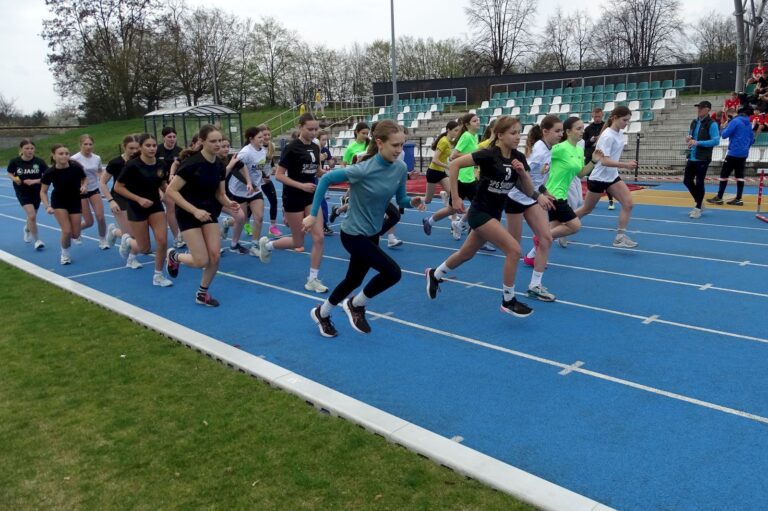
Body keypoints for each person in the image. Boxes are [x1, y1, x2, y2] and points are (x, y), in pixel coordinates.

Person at [304, 120, 425, 336]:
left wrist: (412, 202)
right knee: (392, 272)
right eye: (395, 145)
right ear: (379, 142)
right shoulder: (362, 169)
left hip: (372, 233)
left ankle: (321, 313)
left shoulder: (400, 167)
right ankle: (356, 304)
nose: (400, 151)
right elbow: (325, 181)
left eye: (402, 145)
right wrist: (313, 215)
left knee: (354, 279)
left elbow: (402, 199)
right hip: (352, 233)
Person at [425, 116, 543, 317]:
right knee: (514, 250)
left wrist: (535, 192)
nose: (518, 137)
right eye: (513, 133)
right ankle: (508, 300)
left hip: (494, 214)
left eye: (519, 132)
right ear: (500, 135)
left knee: (466, 254)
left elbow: (525, 186)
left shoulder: (518, 157)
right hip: (480, 213)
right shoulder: (488, 155)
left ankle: (435, 274)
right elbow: (454, 165)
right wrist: (455, 198)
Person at [165, 124, 239, 307]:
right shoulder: (191, 164)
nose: (217, 144)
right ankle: (175, 256)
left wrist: (229, 203)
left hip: (208, 212)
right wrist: (194, 210)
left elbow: (219, 194)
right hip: (188, 213)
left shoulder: (220, 166)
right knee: (201, 261)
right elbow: (170, 191)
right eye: (213, 141)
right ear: (202, 142)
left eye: (220, 140)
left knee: (215, 257)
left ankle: (202, 293)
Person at [257, 113, 328, 294]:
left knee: (319, 237)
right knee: (298, 241)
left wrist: (335, 174)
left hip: (311, 197)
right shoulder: (291, 148)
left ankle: (312, 279)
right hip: (293, 197)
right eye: (309, 129)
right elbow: (279, 175)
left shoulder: (316, 147)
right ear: (300, 127)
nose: (313, 133)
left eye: (316, 129)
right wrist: (301, 185)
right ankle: (268, 245)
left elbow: (317, 171)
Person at [114, 134, 174, 287]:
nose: (152, 148)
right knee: (144, 248)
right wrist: (138, 199)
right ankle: (127, 240)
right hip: (136, 207)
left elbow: (162, 184)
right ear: (140, 147)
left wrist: (172, 193)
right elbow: (118, 187)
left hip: (155, 206)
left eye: (154, 145)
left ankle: (158, 276)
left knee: (162, 241)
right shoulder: (132, 165)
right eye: (148, 145)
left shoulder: (161, 165)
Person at [574, 108, 639, 247]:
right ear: (615, 118)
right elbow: (604, 161)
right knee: (586, 209)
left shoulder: (620, 134)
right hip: (598, 178)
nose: (627, 123)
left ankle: (620, 237)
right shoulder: (607, 136)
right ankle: (563, 225)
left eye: (628, 120)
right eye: (624, 120)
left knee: (628, 204)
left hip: (612, 177)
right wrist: (626, 165)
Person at [544, 117, 606, 246]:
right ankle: (541, 238)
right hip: (554, 195)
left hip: (561, 194)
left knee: (552, 232)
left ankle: (533, 257)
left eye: (583, 128)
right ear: (568, 131)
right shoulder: (559, 148)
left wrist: (594, 161)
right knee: (575, 226)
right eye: (578, 128)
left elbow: (580, 174)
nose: (582, 131)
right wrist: (542, 169)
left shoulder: (578, 150)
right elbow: (538, 157)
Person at [224, 126, 268, 255]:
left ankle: (255, 245)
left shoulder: (263, 150)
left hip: (255, 190)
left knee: (259, 217)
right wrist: (248, 183)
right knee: (241, 220)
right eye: (259, 137)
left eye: (263, 137)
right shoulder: (245, 152)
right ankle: (228, 226)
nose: (263, 139)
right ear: (251, 139)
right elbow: (235, 169)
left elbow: (258, 168)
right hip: (239, 190)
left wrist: (265, 176)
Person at [40, 145, 86, 265]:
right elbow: (43, 191)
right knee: (66, 231)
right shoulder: (50, 172)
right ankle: (65, 254)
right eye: (61, 153)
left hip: (75, 200)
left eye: (66, 153)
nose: (64, 156)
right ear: (54, 156)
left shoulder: (76, 167)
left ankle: (70, 238)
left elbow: (84, 178)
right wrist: (47, 206)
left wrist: (84, 185)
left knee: (75, 234)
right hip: (59, 202)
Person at [706, 105, 755, 207]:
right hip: (743, 153)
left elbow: (724, 135)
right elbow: (752, 139)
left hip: (733, 153)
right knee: (740, 176)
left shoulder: (735, 121)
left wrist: (724, 127)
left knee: (724, 174)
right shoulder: (749, 124)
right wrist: (745, 147)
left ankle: (719, 197)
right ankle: (738, 199)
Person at [101, 135, 140, 254]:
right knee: (130, 234)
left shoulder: (140, 161)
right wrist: (111, 201)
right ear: (124, 147)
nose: (134, 151)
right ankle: (131, 259)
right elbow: (102, 182)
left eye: (136, 148)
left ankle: (114, 231)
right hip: (119, 198)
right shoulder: (116, 162)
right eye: (131, 148)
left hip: (135, 197)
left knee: (135, 233)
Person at [421, 120, 460, 235]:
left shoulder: (449, 142)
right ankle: (415, 199)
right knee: (427, 200)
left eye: (458, 131)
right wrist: (448, 166)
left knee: (453, 195)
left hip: (441, 173)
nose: (457, 133)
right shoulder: (443, 141)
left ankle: (454, 222)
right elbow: (435, 160)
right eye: (455, 130)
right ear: (449, 130)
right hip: (433, 172)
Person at [683, 101, 721, 219]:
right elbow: (691, 136)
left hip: (703, 157)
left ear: (708, 109)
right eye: (698, 107)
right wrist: (689, 139)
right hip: (692, 156)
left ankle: (698, 207)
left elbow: (716, 141)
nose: (698, 109)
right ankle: (699, 202)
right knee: (687, 180)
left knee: (700, 182)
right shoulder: (694, 122)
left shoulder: (712, 124)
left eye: (701, 107)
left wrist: (698, 142)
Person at [7, 139, 47, 250]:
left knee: (32, 215)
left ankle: (27, 229)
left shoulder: (39, 162)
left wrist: (34, 181)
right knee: (32, 215)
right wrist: (15, 179)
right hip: (22, 191)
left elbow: (47, 176)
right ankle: (37, 240)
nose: (29, 150)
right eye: (27, 148)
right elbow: (10, 173)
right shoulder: (15, 162)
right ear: (21, 149)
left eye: (31, 148)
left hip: (36, 191)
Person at [449, 113, 482, 245]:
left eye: (478, 119)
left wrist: (476, 169)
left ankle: (460, 223)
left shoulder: (475, 136)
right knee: (453, 208)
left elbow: (475, 158)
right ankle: (461, 224)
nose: (478, 122)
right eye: (475, 121)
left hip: (470, 177)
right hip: (462, 178)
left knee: (478, 204)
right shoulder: (466, 136)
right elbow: (453, 155)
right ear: (468, 124)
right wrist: (473, 156)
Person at [71, 135, 108, 249]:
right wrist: (80, 185)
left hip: (94, 189)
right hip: (80, 192)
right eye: (85, 144)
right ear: (80, 145)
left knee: (101, 217)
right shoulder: (74, 159)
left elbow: (100, 172)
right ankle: (75, 232)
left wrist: (102, 182)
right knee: (88, 222)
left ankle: (103, 239)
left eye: (90, 144)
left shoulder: (97, 158)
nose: (88, 147)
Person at [157, 127, 184, 248]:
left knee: (180, 209)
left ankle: (182, 233)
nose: (172, 139)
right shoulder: (157, 150)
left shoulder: (180, 151)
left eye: (174, 136)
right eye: (169, 137)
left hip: (176, 183)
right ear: (163, 137)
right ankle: (176, 237)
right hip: (160, 183)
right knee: (171, 207)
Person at [583, 108, 614, 210]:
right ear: (592, 116)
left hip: (603, 157)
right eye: (595, 116)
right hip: (590, 156)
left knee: (607, 178)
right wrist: (591, 140)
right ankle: (591, 201)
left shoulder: (607, 128)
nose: (597, 118)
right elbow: (584, 144)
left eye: (599, 116)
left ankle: (611, 201)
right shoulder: (588, 129)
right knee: (590, 178)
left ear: (602, 116)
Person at [258, 124, 283, 237]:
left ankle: (272, 227)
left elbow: (270, 160)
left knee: (274, 200)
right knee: (250, 205)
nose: (267, 137)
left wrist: (273, 167)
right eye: (264, 135)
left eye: (268, 134)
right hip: (255, 179)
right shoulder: (255, 148)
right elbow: (254, 165)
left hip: (266, 178)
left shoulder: (271, 146)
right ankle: (246, 222)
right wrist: (262, 175)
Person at [317, 130, 334, 235]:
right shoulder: (312, 149)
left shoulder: (325, 150)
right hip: (309, 177)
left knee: (322, 201)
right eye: (322, 140)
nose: (324, 142)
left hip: (319, 178)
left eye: (325, 140)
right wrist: (319, 158)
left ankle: (324, 225)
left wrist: (333, 161)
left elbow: (331, 164)